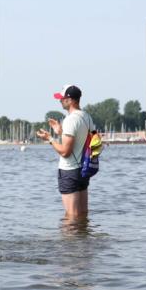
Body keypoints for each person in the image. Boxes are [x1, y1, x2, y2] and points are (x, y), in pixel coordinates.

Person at [37, 84, 95, 220]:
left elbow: (65, 152)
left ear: (70, 100)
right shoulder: (87, 117)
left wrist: (49, 139)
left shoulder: (70, 120)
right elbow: (84, 141)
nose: (60, 101)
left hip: (70, 172)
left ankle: (69, 241)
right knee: (82, 215)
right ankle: (84, 240)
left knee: (72, 217)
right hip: (84, 170)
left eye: (62, 98)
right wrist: (60, 132)